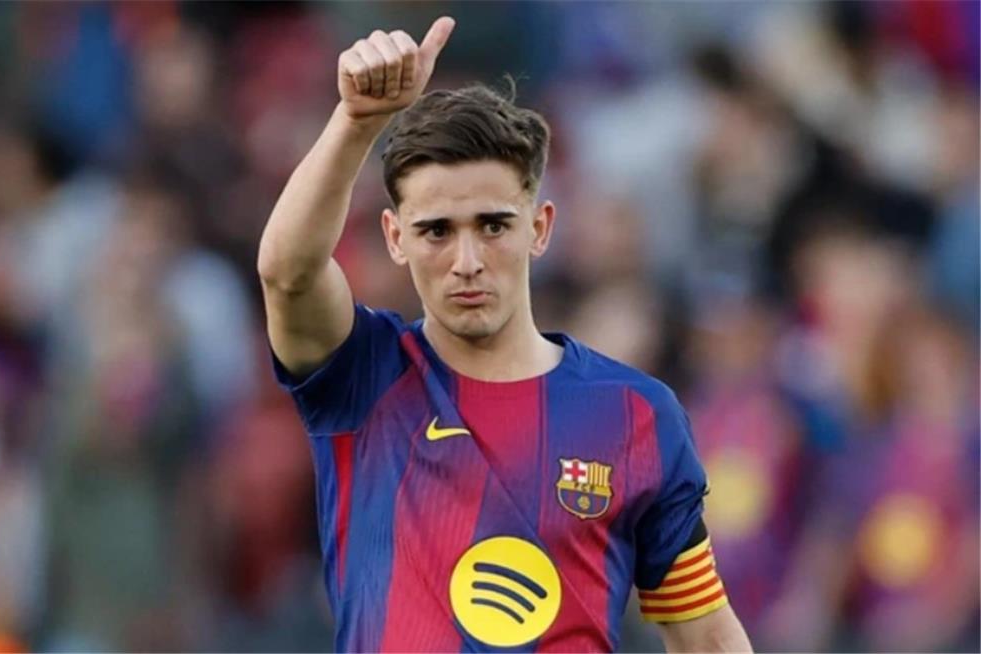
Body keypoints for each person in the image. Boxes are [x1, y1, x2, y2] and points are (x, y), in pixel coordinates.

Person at [257, 16, 752, 653]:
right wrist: (356, 123)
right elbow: (288, 273)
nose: (467, 260)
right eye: (437, 231)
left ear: (539, 228)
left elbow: (706, 635)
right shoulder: (364, 377)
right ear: (395, 238)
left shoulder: (637, 414)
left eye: (493, 225)